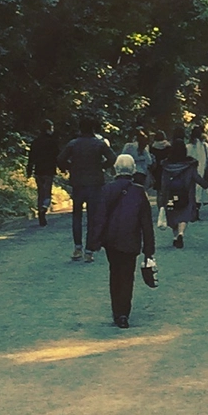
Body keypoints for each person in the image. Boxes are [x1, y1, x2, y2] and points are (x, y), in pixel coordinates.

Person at [88, 153, 158, 327]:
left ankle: (116, 310)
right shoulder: (139, 192)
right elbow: (146, 223)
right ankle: (123, 313)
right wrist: (149, 249)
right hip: (131, 240)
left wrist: (93, 242)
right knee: (127, 276)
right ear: (133, 170)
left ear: (115, 169)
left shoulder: (106, 190)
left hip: (111, 240)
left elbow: (99, 217)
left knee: (115, 273)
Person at [57, 116, 114, 261]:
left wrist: (71, 168)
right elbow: (112, 158)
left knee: (77, 215)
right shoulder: (99, 144)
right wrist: (101, 167)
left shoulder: (73, 144)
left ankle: (77, 248)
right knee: (93, 217)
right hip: (95, 183)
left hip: (77, 183)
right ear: (94, 128)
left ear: (80, 128)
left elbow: (60, 159)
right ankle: (89, 251)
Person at [152, 131, 199, 248]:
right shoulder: (189, 163)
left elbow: (164, 182)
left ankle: (174, 236)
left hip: (170, 192)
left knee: (172, 213)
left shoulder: (167, 164)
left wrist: (162, 194)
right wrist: (205, 184)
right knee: (183, 213)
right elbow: (196, 177)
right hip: (185, 192)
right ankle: (181, 233)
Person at [28, 122, 60, 227]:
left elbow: (31, 157)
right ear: (48, 129)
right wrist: (62, 167)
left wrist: (29, 170)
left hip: (38, 170)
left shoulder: (36, 142)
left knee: (40, 192)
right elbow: (57, 156)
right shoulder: (52, 142)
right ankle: (44, 208)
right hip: (49, 170)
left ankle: (40, 209)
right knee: (47, 192)